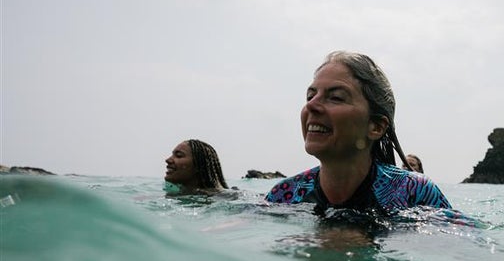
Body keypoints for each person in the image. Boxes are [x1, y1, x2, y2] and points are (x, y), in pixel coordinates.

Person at [265, 50, 451, 213]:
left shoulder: (414, 191)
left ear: (376, 126)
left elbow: (464, 245)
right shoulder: (283, 195)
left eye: (336, 97)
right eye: (310, 96)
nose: (311, 105)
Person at [164, 139, 228, 195]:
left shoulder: (220, 196)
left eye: (179, 155)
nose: (168, 160)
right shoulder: (176, 194)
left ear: (198, 165)